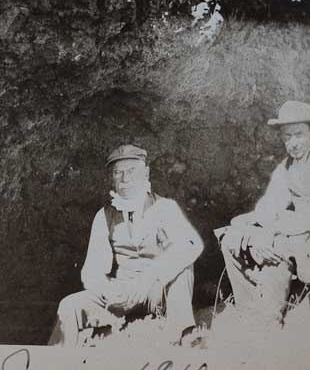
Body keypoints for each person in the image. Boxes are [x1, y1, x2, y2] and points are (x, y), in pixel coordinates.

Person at [217, 100, 310, 323]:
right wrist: (262, 227)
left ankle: (270, 318)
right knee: (232, 236)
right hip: (306, 236)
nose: (293, 143)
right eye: (287, 137)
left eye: (298, 134)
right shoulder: (287, 167)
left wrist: (273, 230)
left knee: (278, 243)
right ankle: (250, 311)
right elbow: (266, 207)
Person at [52, 144, 203, 347]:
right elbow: (92, 271)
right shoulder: (103, 216)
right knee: (68, 305)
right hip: (121, 295)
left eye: (131, 171)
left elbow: (191, 245)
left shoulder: (165, 208)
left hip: (156, 292)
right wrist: (108, 291)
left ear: (146, 173)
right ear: (112, 178)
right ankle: (61, 362)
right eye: (118, 173)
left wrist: (151, 280)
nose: (125, 179)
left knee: (183, 267)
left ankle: (184, 335)